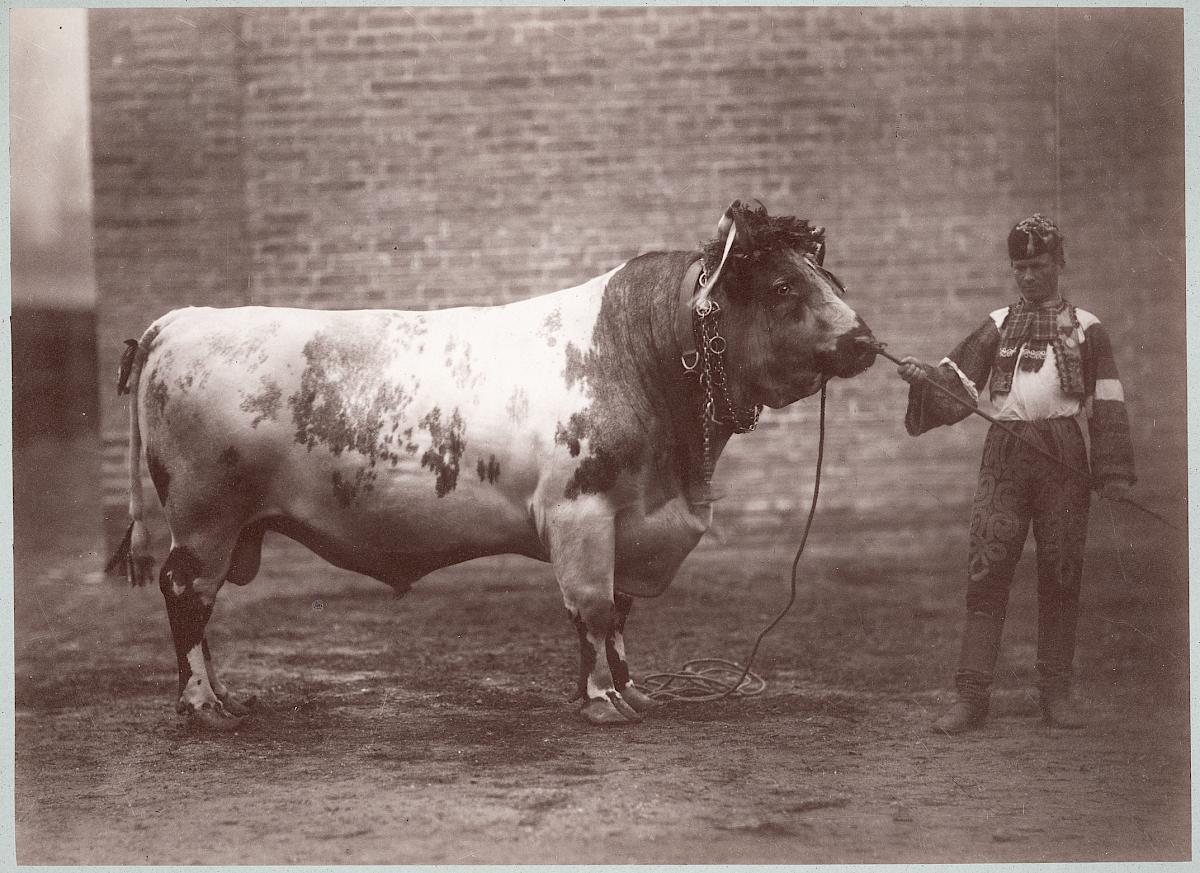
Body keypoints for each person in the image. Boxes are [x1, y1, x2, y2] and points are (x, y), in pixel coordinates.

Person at [897, 213, 1135, 733]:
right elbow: (956, 383)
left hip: (1064, 457)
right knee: (987, 571)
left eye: (1038, 264)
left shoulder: (1088, 328)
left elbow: (1108, 400)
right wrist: (922, 378)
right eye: (1019, 266)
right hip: (1006, 452)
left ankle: (1056, 695)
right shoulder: (998, 323)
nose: (1028, 276)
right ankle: (971, 698)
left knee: (1061, 572)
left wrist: (1112, 469)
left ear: (1059, 263)